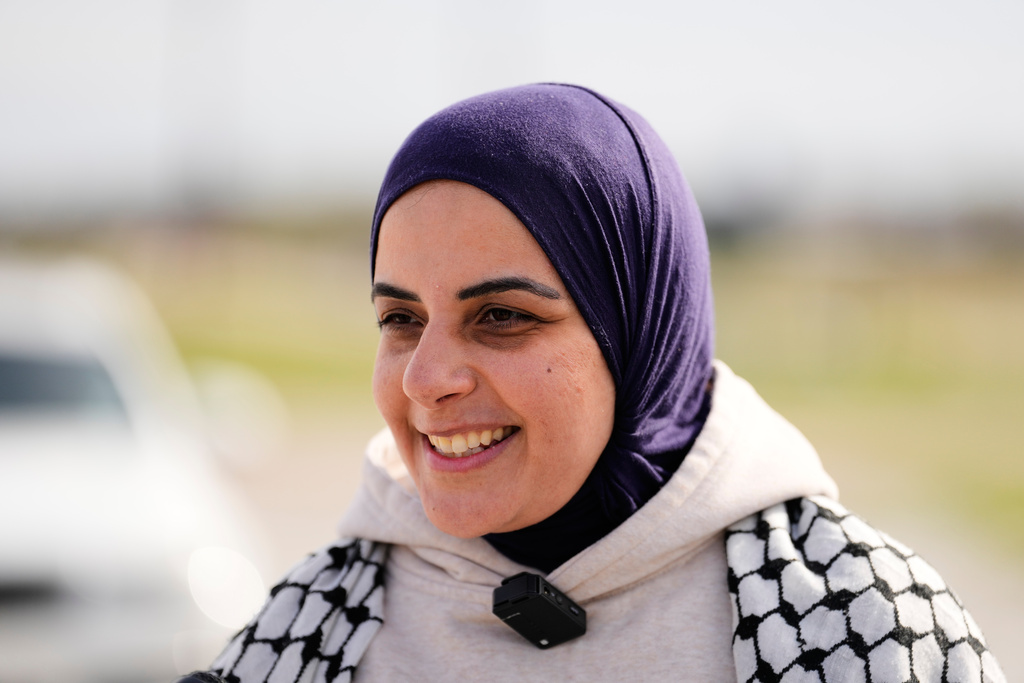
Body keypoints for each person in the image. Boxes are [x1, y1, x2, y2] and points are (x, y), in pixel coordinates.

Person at [181, 84, 1005, 682]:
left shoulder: (861, 625)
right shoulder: (309, 631)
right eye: (400, 318)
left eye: (501, 315)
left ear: (640, 332)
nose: (427, 379)